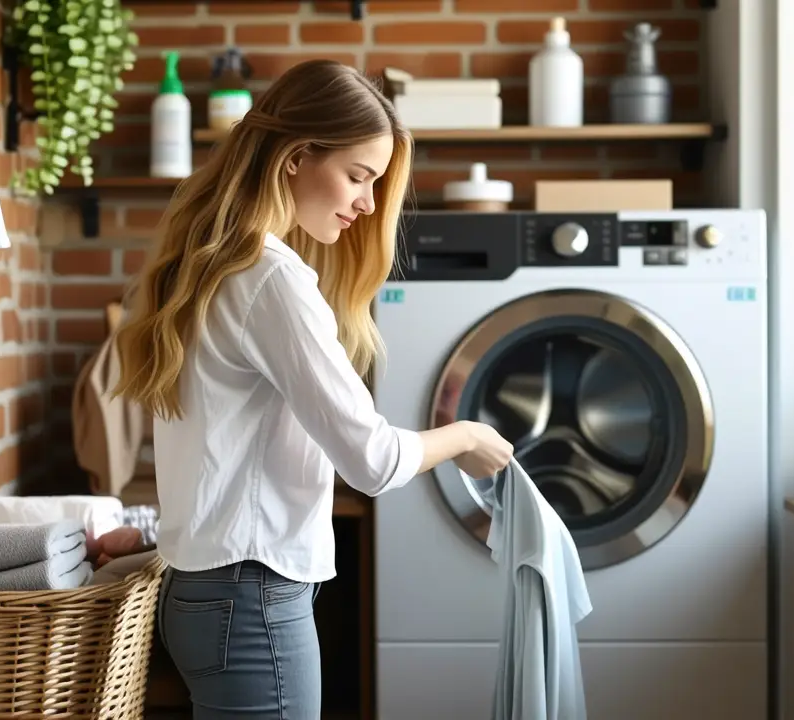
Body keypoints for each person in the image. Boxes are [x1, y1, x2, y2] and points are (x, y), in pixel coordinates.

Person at [112, 59, 514, 718]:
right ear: (297, 157)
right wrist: (466, 435)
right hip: (251, 599)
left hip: (205, 592)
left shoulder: (211, 264)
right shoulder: (271, 279)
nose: (366, 203)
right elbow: (374, 461)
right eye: (358, 177)